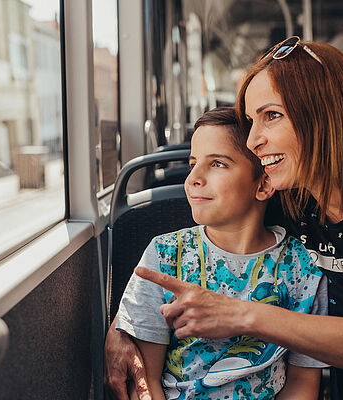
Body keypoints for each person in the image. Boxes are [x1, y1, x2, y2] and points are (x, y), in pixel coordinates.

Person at [105, 38, 343, 400]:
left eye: (270, 116)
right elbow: (224, 221)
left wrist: (241, 314)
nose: (254, 140)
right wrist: (125, 327)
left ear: (326, 113)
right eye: (250, 121)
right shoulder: (294, 202)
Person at [114, 106, 328, 400]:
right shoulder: (165, 255)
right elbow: (145, 379)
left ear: (264, 184)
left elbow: (302, 383)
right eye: (193, 164)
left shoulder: (301, 267)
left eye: (218, 164)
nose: (194, 179)